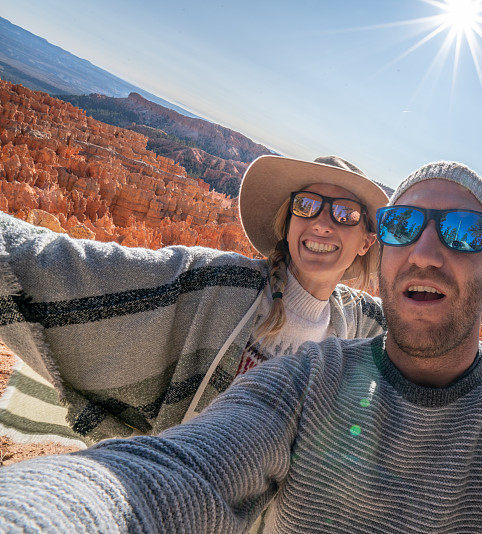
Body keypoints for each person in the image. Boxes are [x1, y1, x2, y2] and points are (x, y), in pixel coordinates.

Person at [1, 161, 482, 533]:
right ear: (382, 257)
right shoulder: (302, 381)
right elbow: (174, 470)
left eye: (462, 232)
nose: (428, 249)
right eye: (403, 225)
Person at [0, 155, 388, 445]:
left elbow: (418, 331)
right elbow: (87, 271)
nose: (322, 221)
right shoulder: (219, 282)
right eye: (307, 205)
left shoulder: (352, 325)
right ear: (289, 223)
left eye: (345, 213)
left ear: (366, 241)